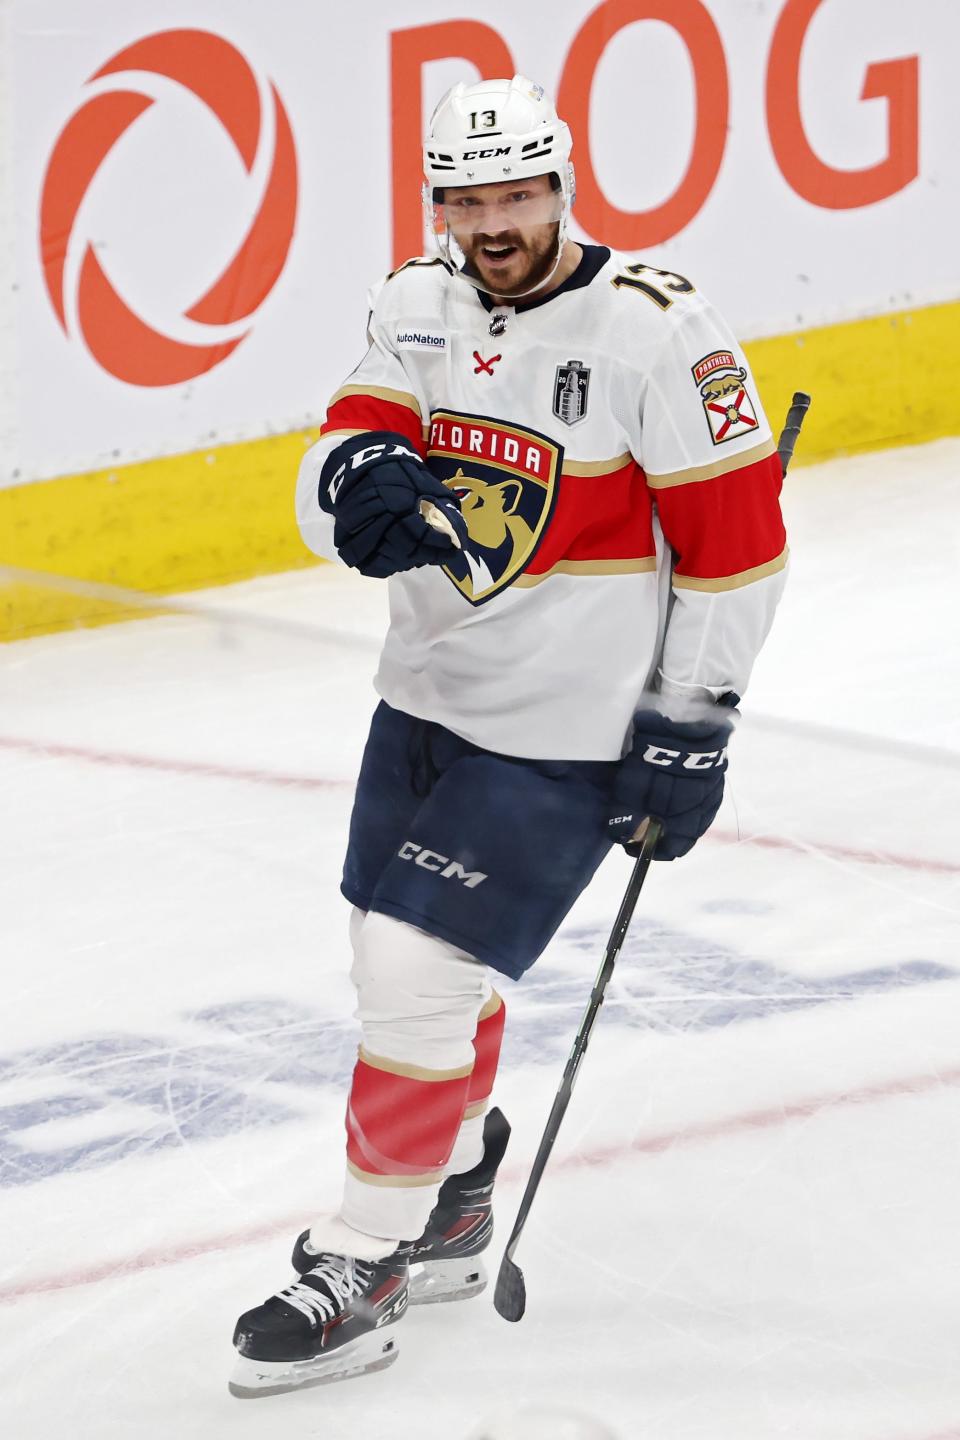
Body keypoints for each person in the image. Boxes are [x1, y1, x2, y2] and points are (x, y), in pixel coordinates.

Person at [229, 75, 787, 1398]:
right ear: (440, 202)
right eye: (466, 199)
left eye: (517, 195)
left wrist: (694, 723)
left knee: (413, 964)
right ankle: (459, 1183)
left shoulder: (659, 328)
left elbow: (738, 546)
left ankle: (365, 1253)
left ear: (561, 186)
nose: (493, 222)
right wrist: (348, 489)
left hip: (570, 731)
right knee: (407, 967)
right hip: (424, 697)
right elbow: (350, 435)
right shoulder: (414, 300)